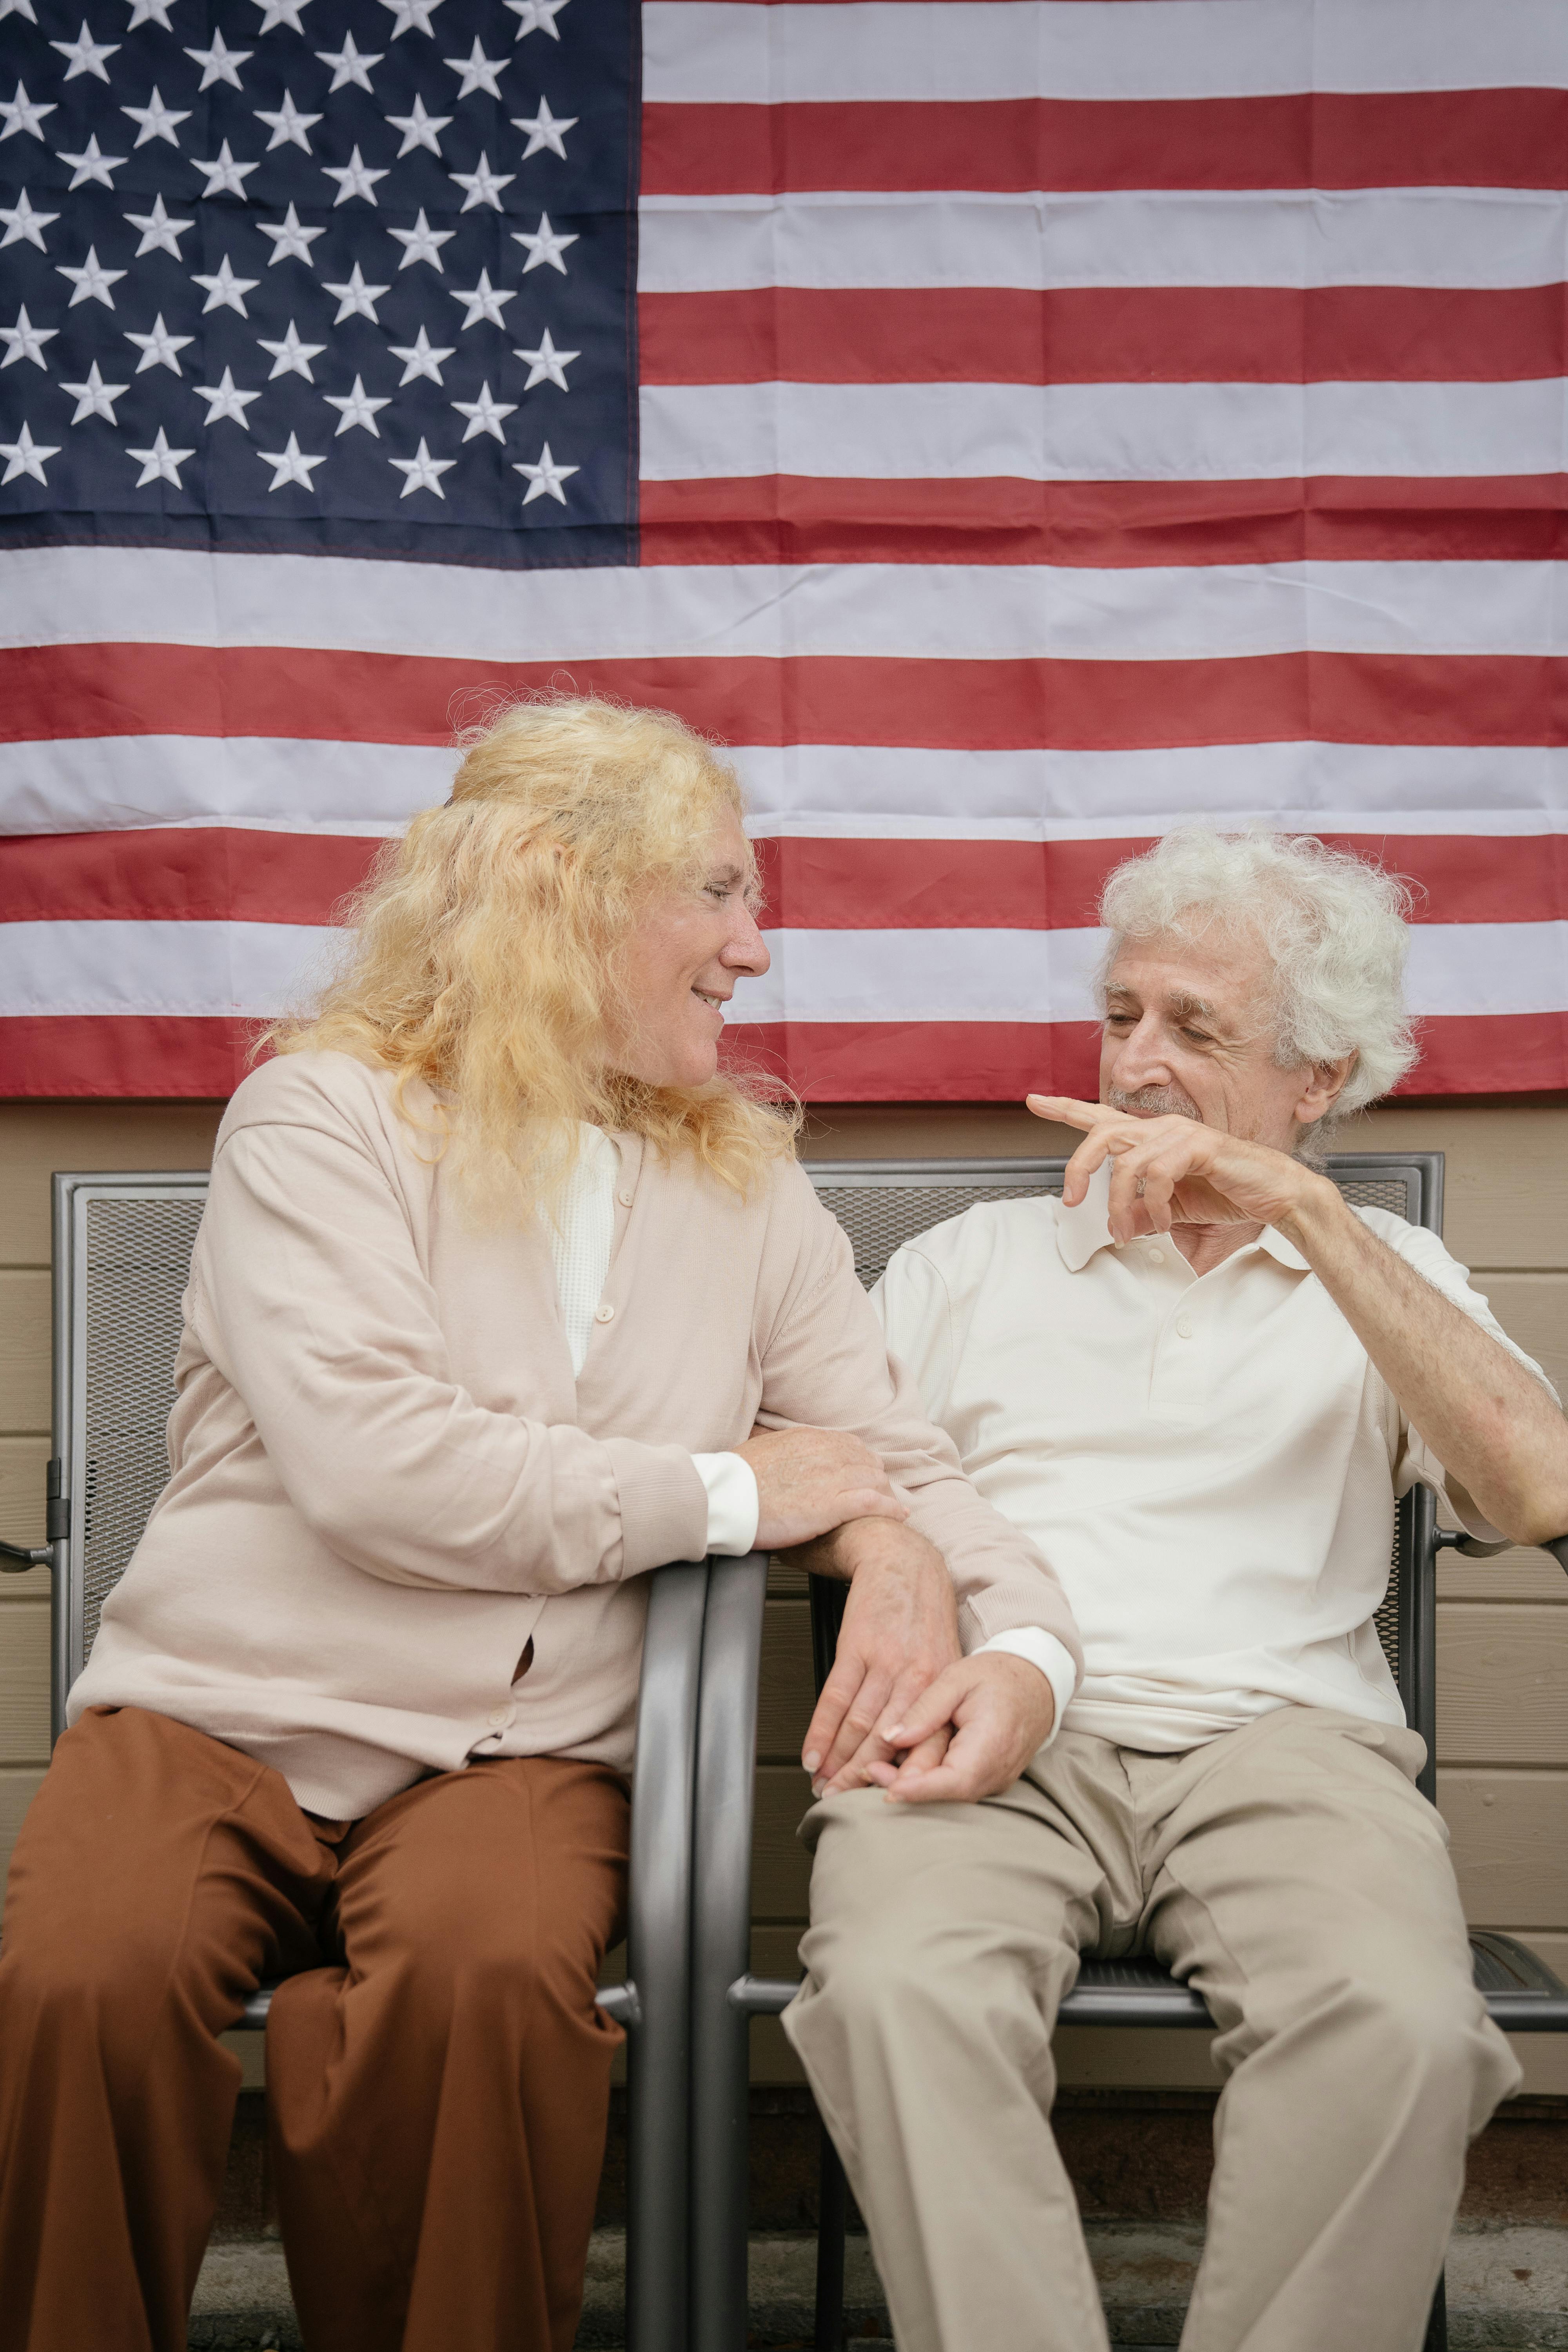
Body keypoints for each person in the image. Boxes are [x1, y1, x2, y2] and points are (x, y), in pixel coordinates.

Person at [0, 697, 1077, 2352]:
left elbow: (886, 1453)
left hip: (520, 1747)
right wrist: (732, 1490)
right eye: (716, 893)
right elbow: (381, 1468)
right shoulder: (322, 1118)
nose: (753, 947)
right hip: (220, 1707)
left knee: (489, 1984)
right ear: (560, 893)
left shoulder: (743, 1180)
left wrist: (1004, 1637)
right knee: (81, 1978)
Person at [784, 829, 1568, 2352]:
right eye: (1120, 1014)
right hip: (1002, 1724)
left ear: (1316, 1080)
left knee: (1402, 2031)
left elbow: (1535, 1486)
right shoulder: (970, 1266)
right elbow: (811, 1463)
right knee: (889, 1990)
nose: (1136, 1065)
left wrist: (1314, 1223)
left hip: (1289, 1748)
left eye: (1194, 1030)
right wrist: (889, 1559)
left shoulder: (1387, 1270)